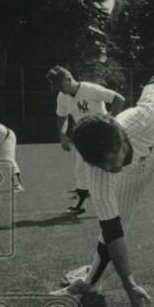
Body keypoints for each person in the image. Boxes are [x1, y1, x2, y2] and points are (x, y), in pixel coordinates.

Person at [52, 73, 154, 307]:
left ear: (120, 142)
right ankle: (91, 282)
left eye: (111, 159)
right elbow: (113, 230)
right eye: (101, 164)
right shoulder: (99, 172)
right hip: (134, 172)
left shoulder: (142, 117)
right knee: (117, 223)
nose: (109, 168)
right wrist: (129, 285)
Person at [48, 66, 125, 214]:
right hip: (83, 137)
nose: (60, 89)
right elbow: (61, 116)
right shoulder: (62, 97)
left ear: (68, 79)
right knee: (81, 171)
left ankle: (119, 200)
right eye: (57, 87)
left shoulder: (91, 89)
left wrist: (108, 120)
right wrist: (62, 136)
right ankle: (79, 205)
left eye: (61, 85)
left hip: (103, 135)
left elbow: (118, 99)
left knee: (109, 168)